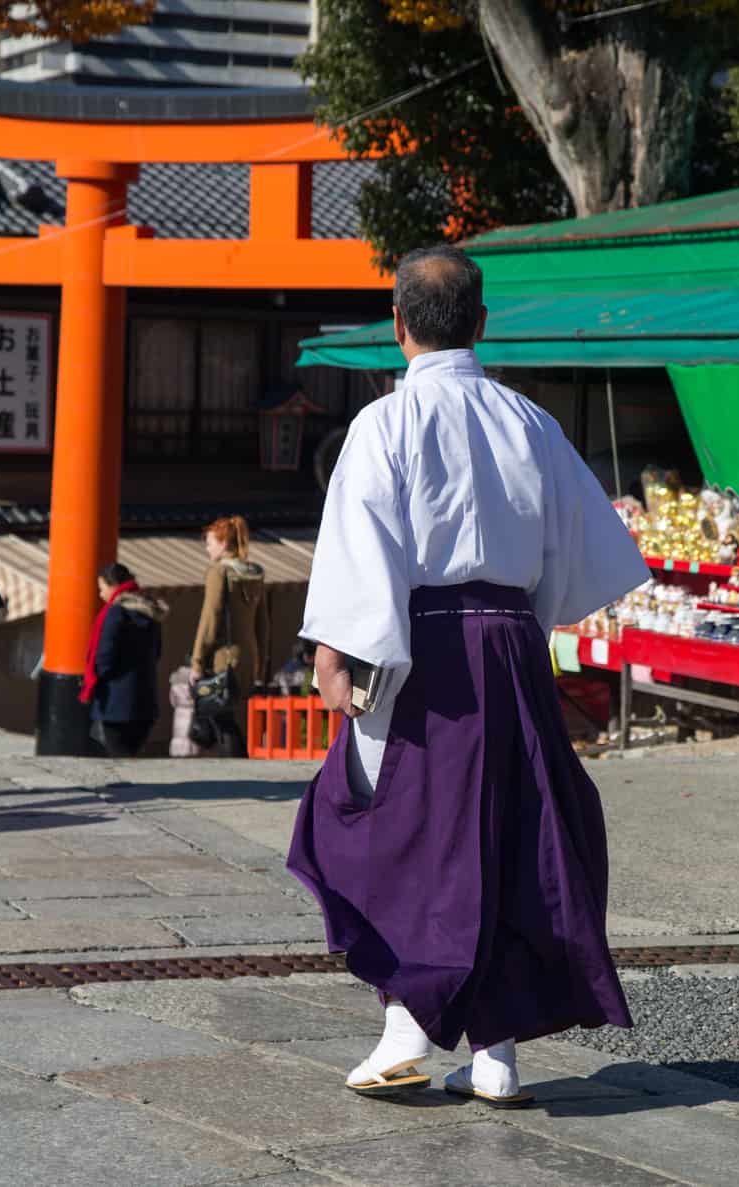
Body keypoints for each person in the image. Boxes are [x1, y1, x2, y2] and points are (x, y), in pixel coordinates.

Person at [287, 244, 649, 1106]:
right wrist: (522, 623)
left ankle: (408, 1021)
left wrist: (334, 652)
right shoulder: (530, 422)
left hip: (424, 646)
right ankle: (495, 1053)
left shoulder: (382, 425)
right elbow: (571, 562)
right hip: (513, 646)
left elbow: (360, 549)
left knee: (393, 827)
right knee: (508, 835)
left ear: (399, 325)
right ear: (483, 324)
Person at [190, 515, 269, 757]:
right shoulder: (255, 573)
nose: (207, 548)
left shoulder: (218, 572)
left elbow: (210, 618)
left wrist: (197, 661)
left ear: (224, 544)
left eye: (210, 542)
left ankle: (238, 766)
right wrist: (260, 664)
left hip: (222, 659)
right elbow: (263, 624)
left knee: (221, 718)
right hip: (248, 657)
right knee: (227, 717)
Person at [80, 562, 167, 758]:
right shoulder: (151, 612)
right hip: (145, 701)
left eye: (101, 588)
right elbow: (157, 653)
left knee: (118, 758)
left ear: (112, 586)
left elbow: (104, 656)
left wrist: (95, 680)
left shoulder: (115, 613)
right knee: (130, 755)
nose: (101, 595)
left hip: (115, 703)